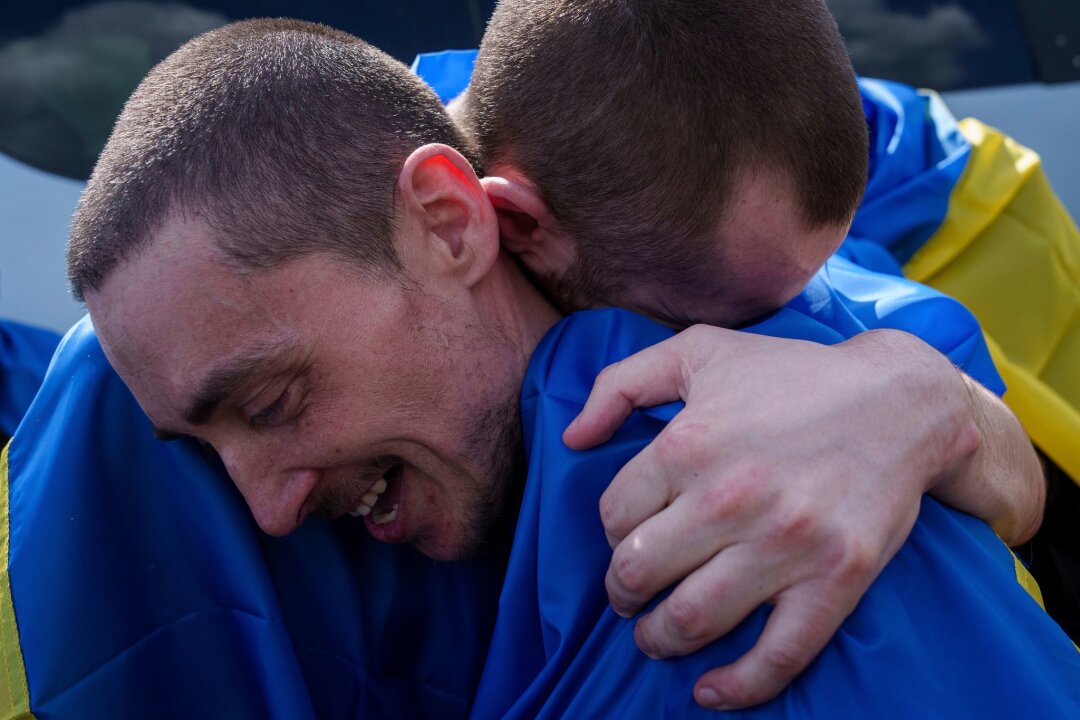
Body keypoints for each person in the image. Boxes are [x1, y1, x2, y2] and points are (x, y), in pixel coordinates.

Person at [49, 18, 1079, 717]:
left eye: (274, 404)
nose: (262, 508)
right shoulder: (157, 358)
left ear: (458, 221)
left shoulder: (690, 230)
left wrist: (922, 397)